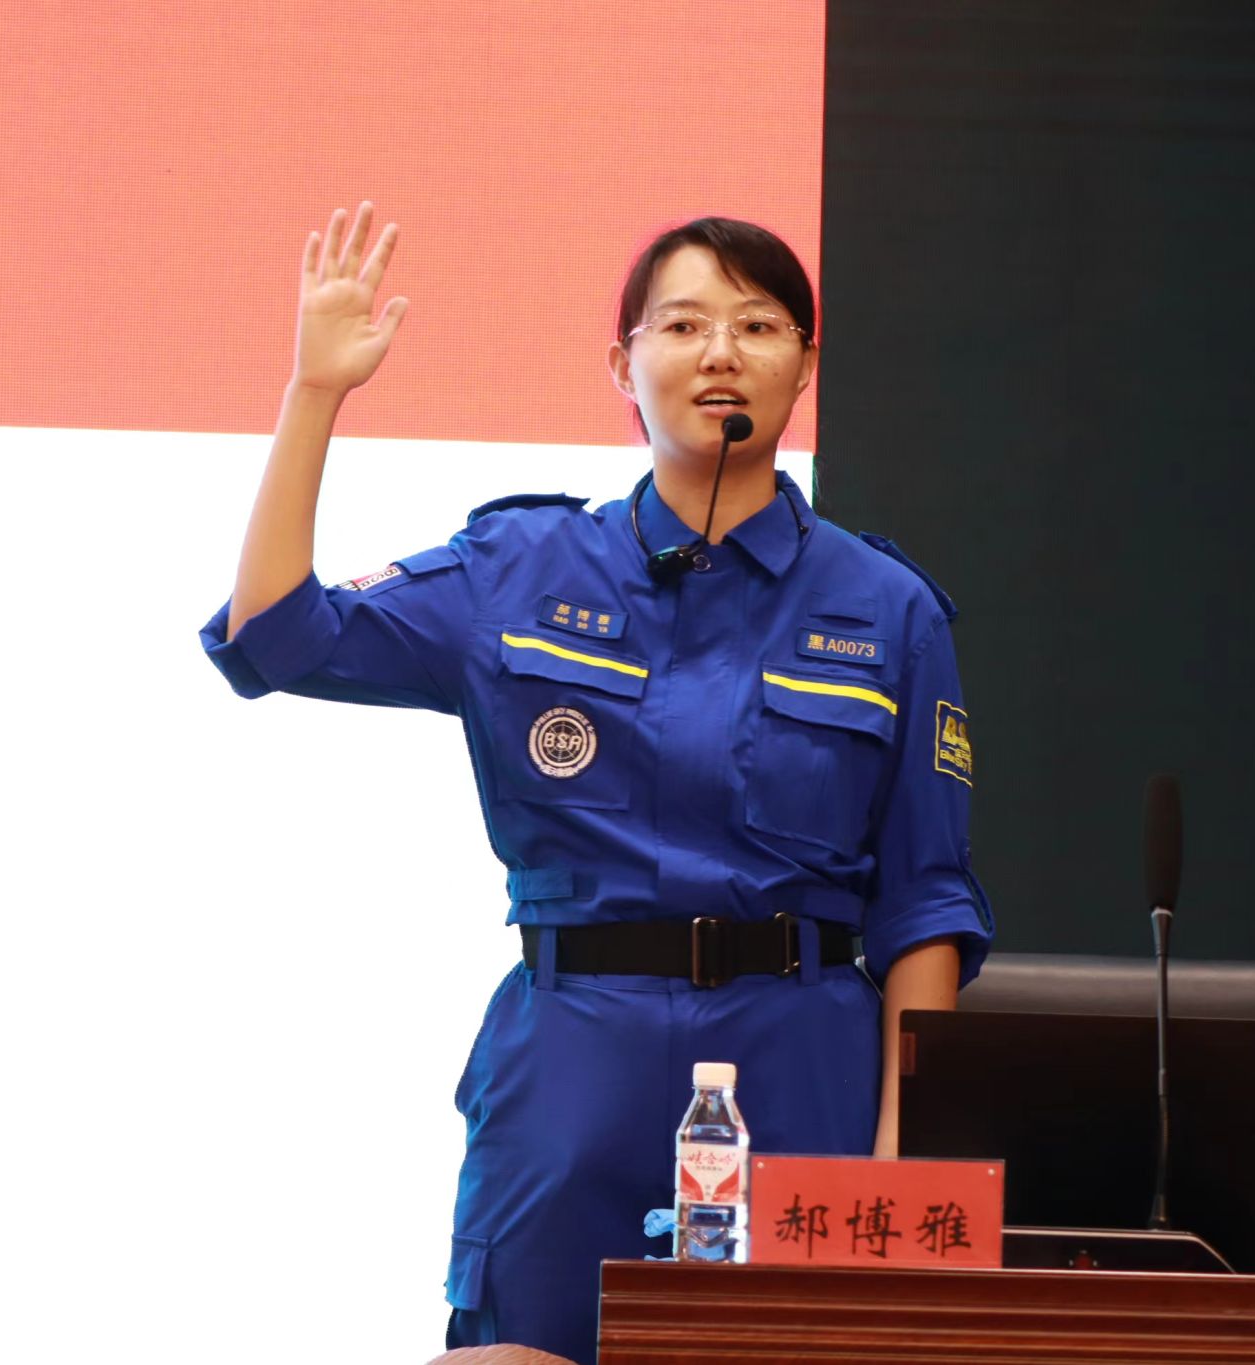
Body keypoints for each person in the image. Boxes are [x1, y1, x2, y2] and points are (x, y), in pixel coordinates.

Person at [202, 204, 992, 1365]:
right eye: (681, 324)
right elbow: (272, 638)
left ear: (803, 367)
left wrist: (902, 1158)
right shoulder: (518, 570)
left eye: (756, 326)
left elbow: (924, 905)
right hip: (572, 1061)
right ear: (621, 366)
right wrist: (313, 393)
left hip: (802, 1059)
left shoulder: (887, 609)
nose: (719, 352)